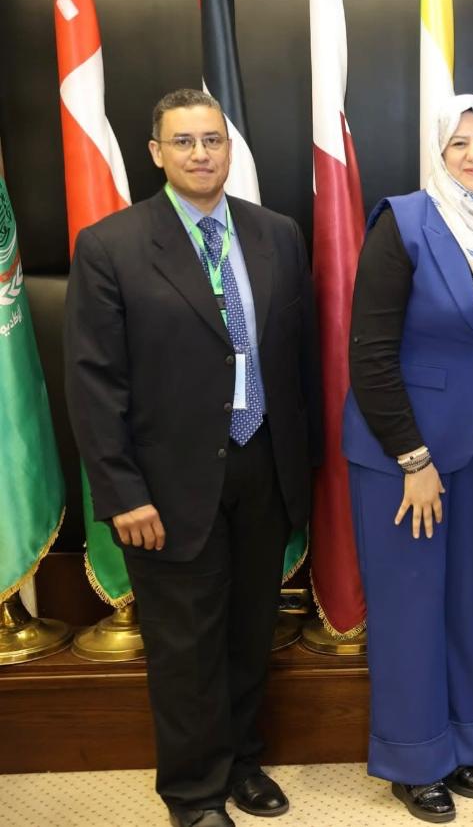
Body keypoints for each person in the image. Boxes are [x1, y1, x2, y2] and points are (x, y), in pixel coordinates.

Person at [64, 88, 320, 827]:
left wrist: (301, 471)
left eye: (212, 140)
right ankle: (194, 793)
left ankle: (241, 763)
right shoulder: (111, 246)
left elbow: (297, 359)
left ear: (229, 150)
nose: (200, 154)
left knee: (249, 631)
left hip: (262, 465)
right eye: (183, 142)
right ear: (156, 153)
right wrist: (121, 492)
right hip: (165, 485)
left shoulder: (278, 234)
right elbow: (93, 383)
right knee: (186, 647)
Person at [343, 94, 473, 824]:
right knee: (410, 607)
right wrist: (412, 458)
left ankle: (460, 745)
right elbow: (369, 353)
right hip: (403, 454)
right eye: (460, 143)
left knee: (466, 601)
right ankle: (413, 759)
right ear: (439, 151)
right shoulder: (404, 222)